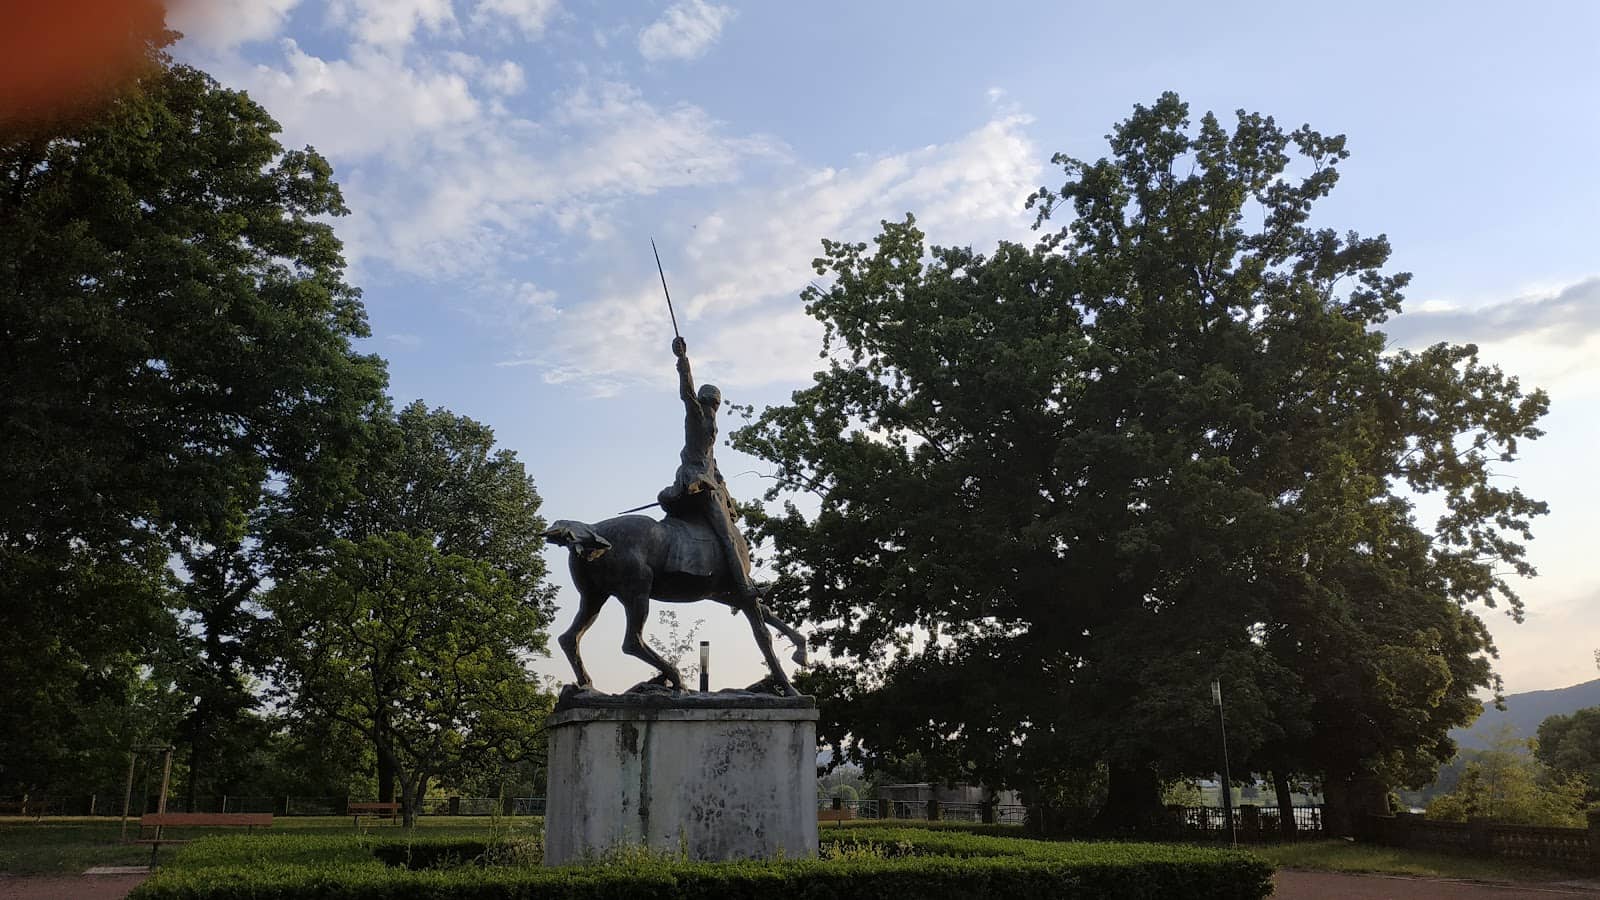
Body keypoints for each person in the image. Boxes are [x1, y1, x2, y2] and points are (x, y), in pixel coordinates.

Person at [657, 337, 760, 602]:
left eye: (714, 404)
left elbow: (711, 462)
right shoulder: (696, 418)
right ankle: (744, 586)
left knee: (723, 531)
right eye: (711, 402)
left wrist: (722, 484)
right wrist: (683, 362)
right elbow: (686, 394)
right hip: (696, 484)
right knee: (726, 536)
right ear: (705, 402)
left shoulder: (710, 428)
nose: (712, 407)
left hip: (708, 481)